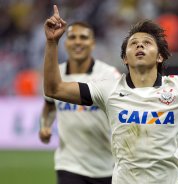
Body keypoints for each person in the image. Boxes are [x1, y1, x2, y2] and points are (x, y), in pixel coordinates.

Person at [43, 4, 178, 184]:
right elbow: (54, 89)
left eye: (147, 43)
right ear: (125, 58)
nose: (139, 45)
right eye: (133, 43)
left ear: (160, 56)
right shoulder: (108, 89)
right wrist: (52, 43)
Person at [39, 21, 120, 184]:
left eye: (83, 37)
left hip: (106, 165)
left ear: (93, 43)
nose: (77, 41)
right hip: (69, 165)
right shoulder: (55, 75)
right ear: (66, 43)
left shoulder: (109, 75)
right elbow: (49, 106)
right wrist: (45, 126)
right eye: (72, 37)